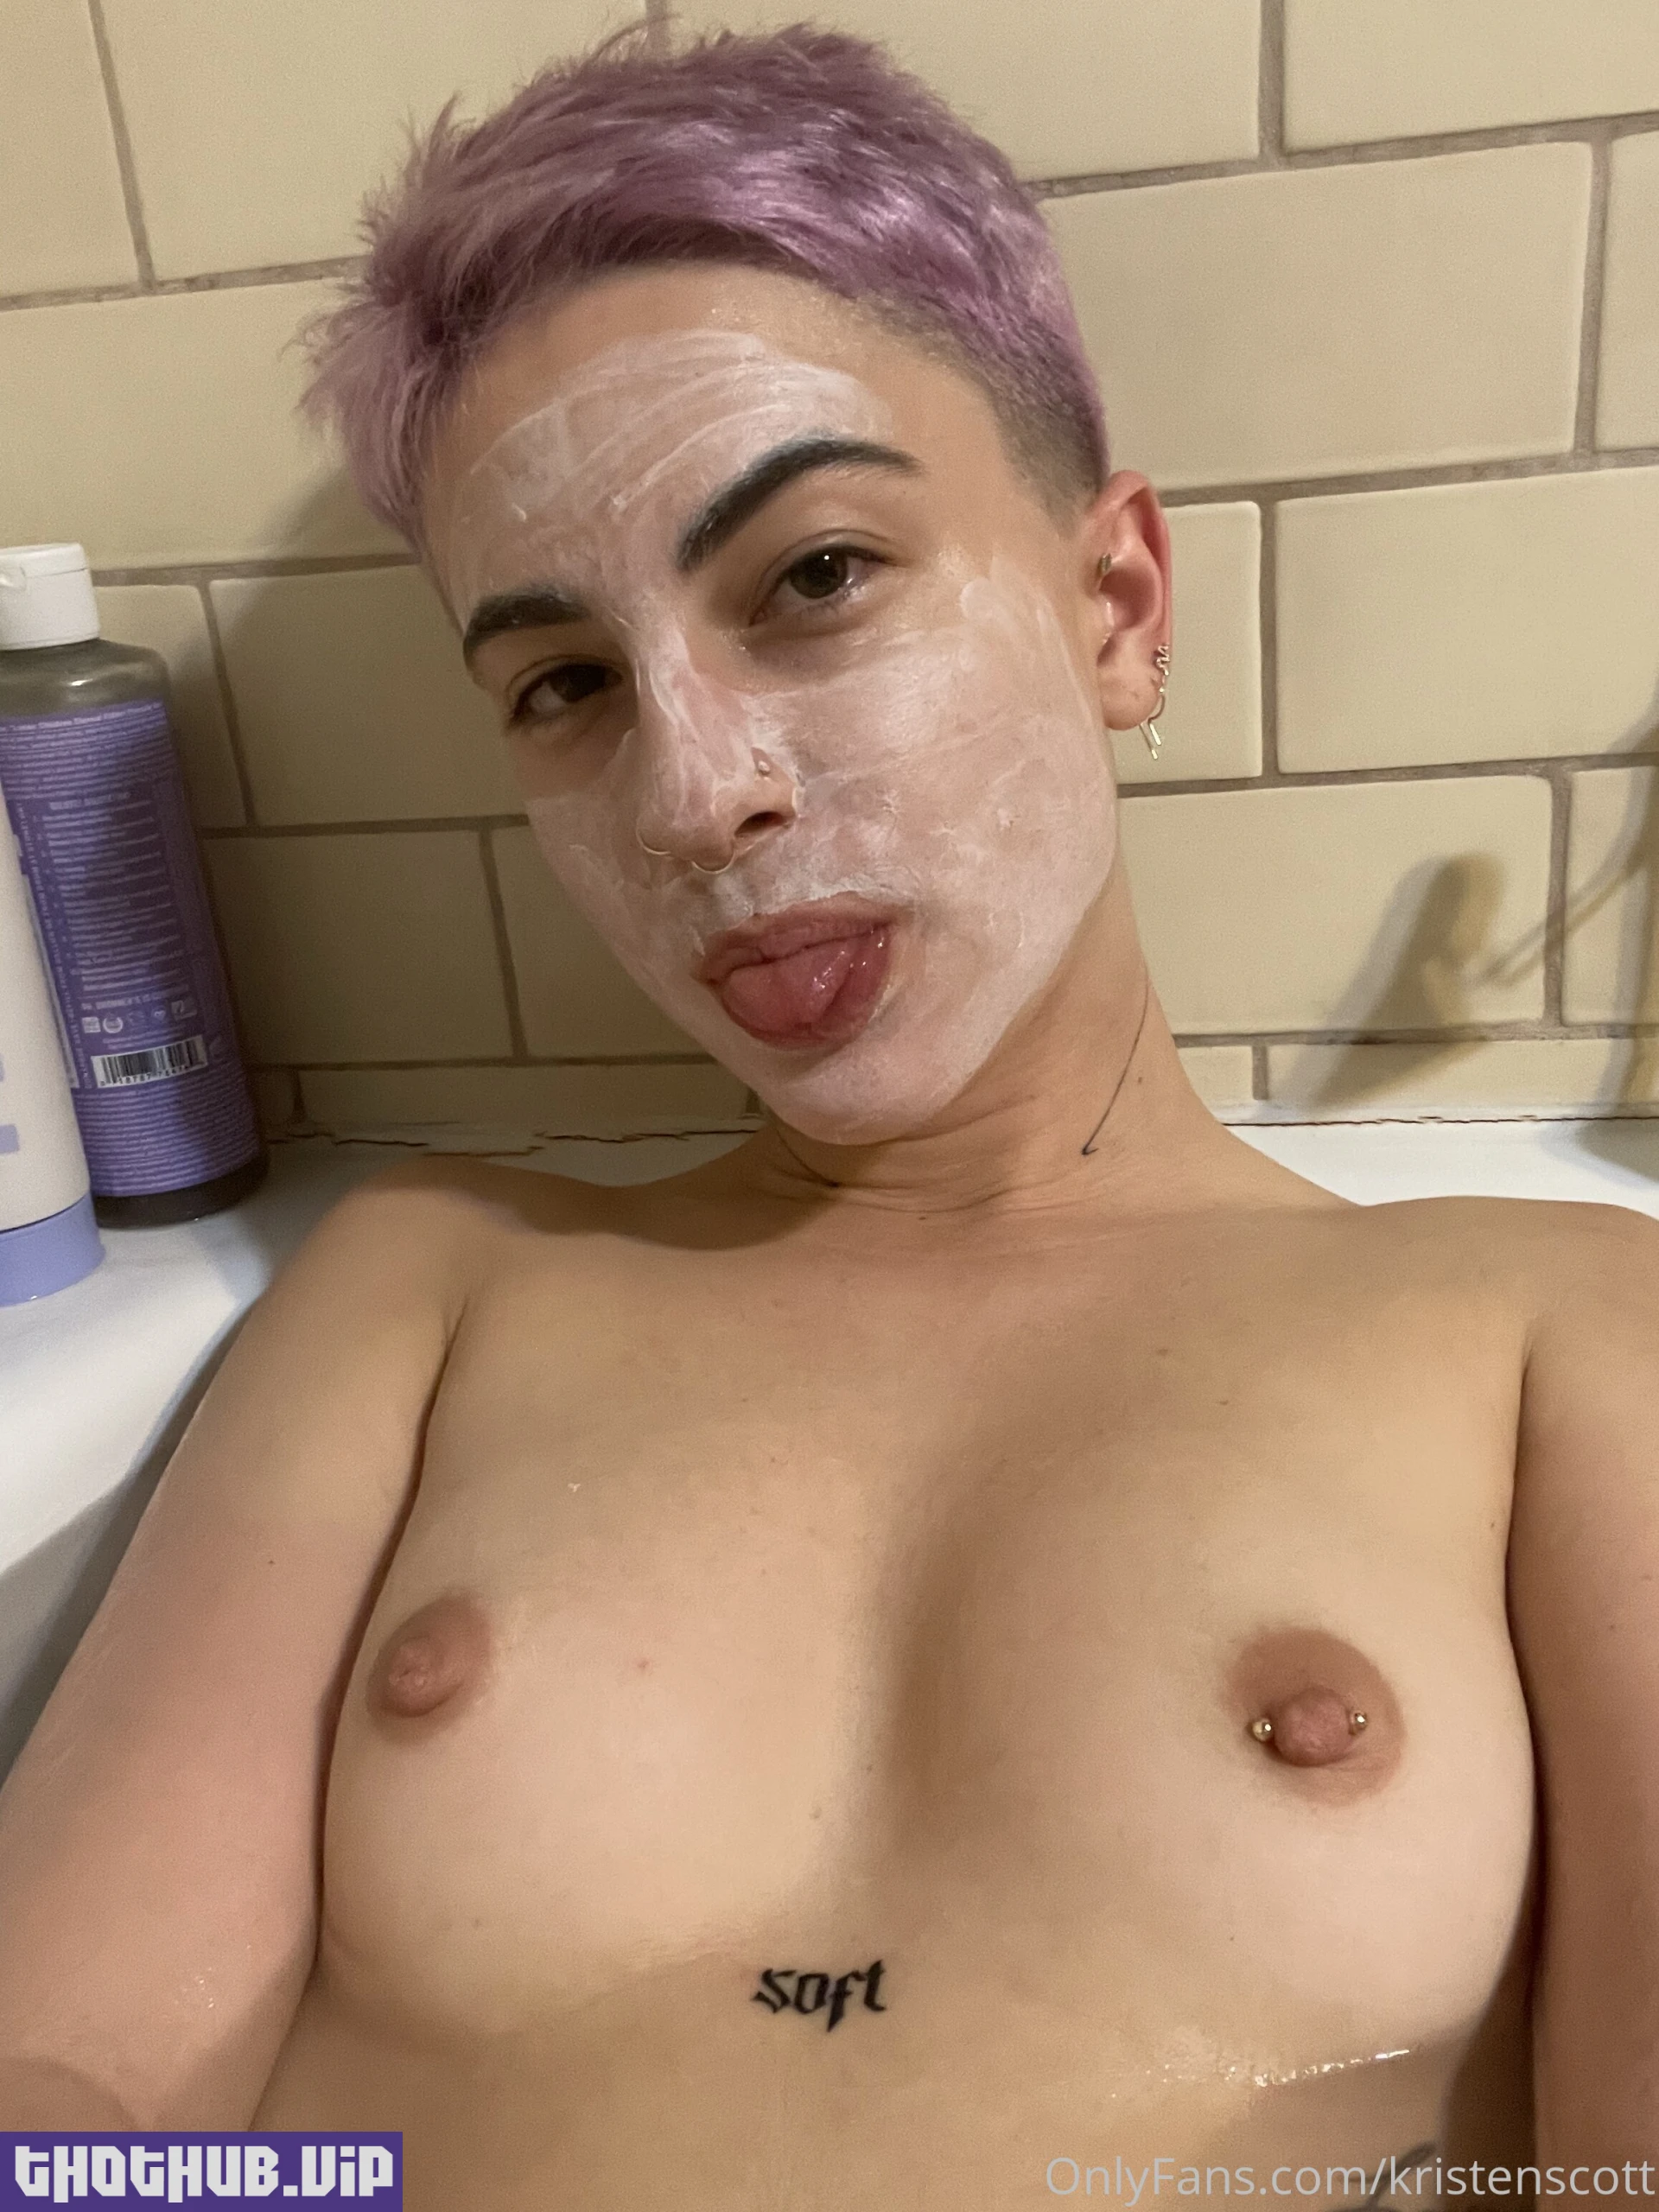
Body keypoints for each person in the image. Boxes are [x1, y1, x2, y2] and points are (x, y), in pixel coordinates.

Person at [1, 23, 1655, 2202]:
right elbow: (71, 2085)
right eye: (564, 684)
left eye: (815, 576)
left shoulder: (1552, 1328)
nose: (696, 798)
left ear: (1117, 607)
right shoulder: (429, 1292)